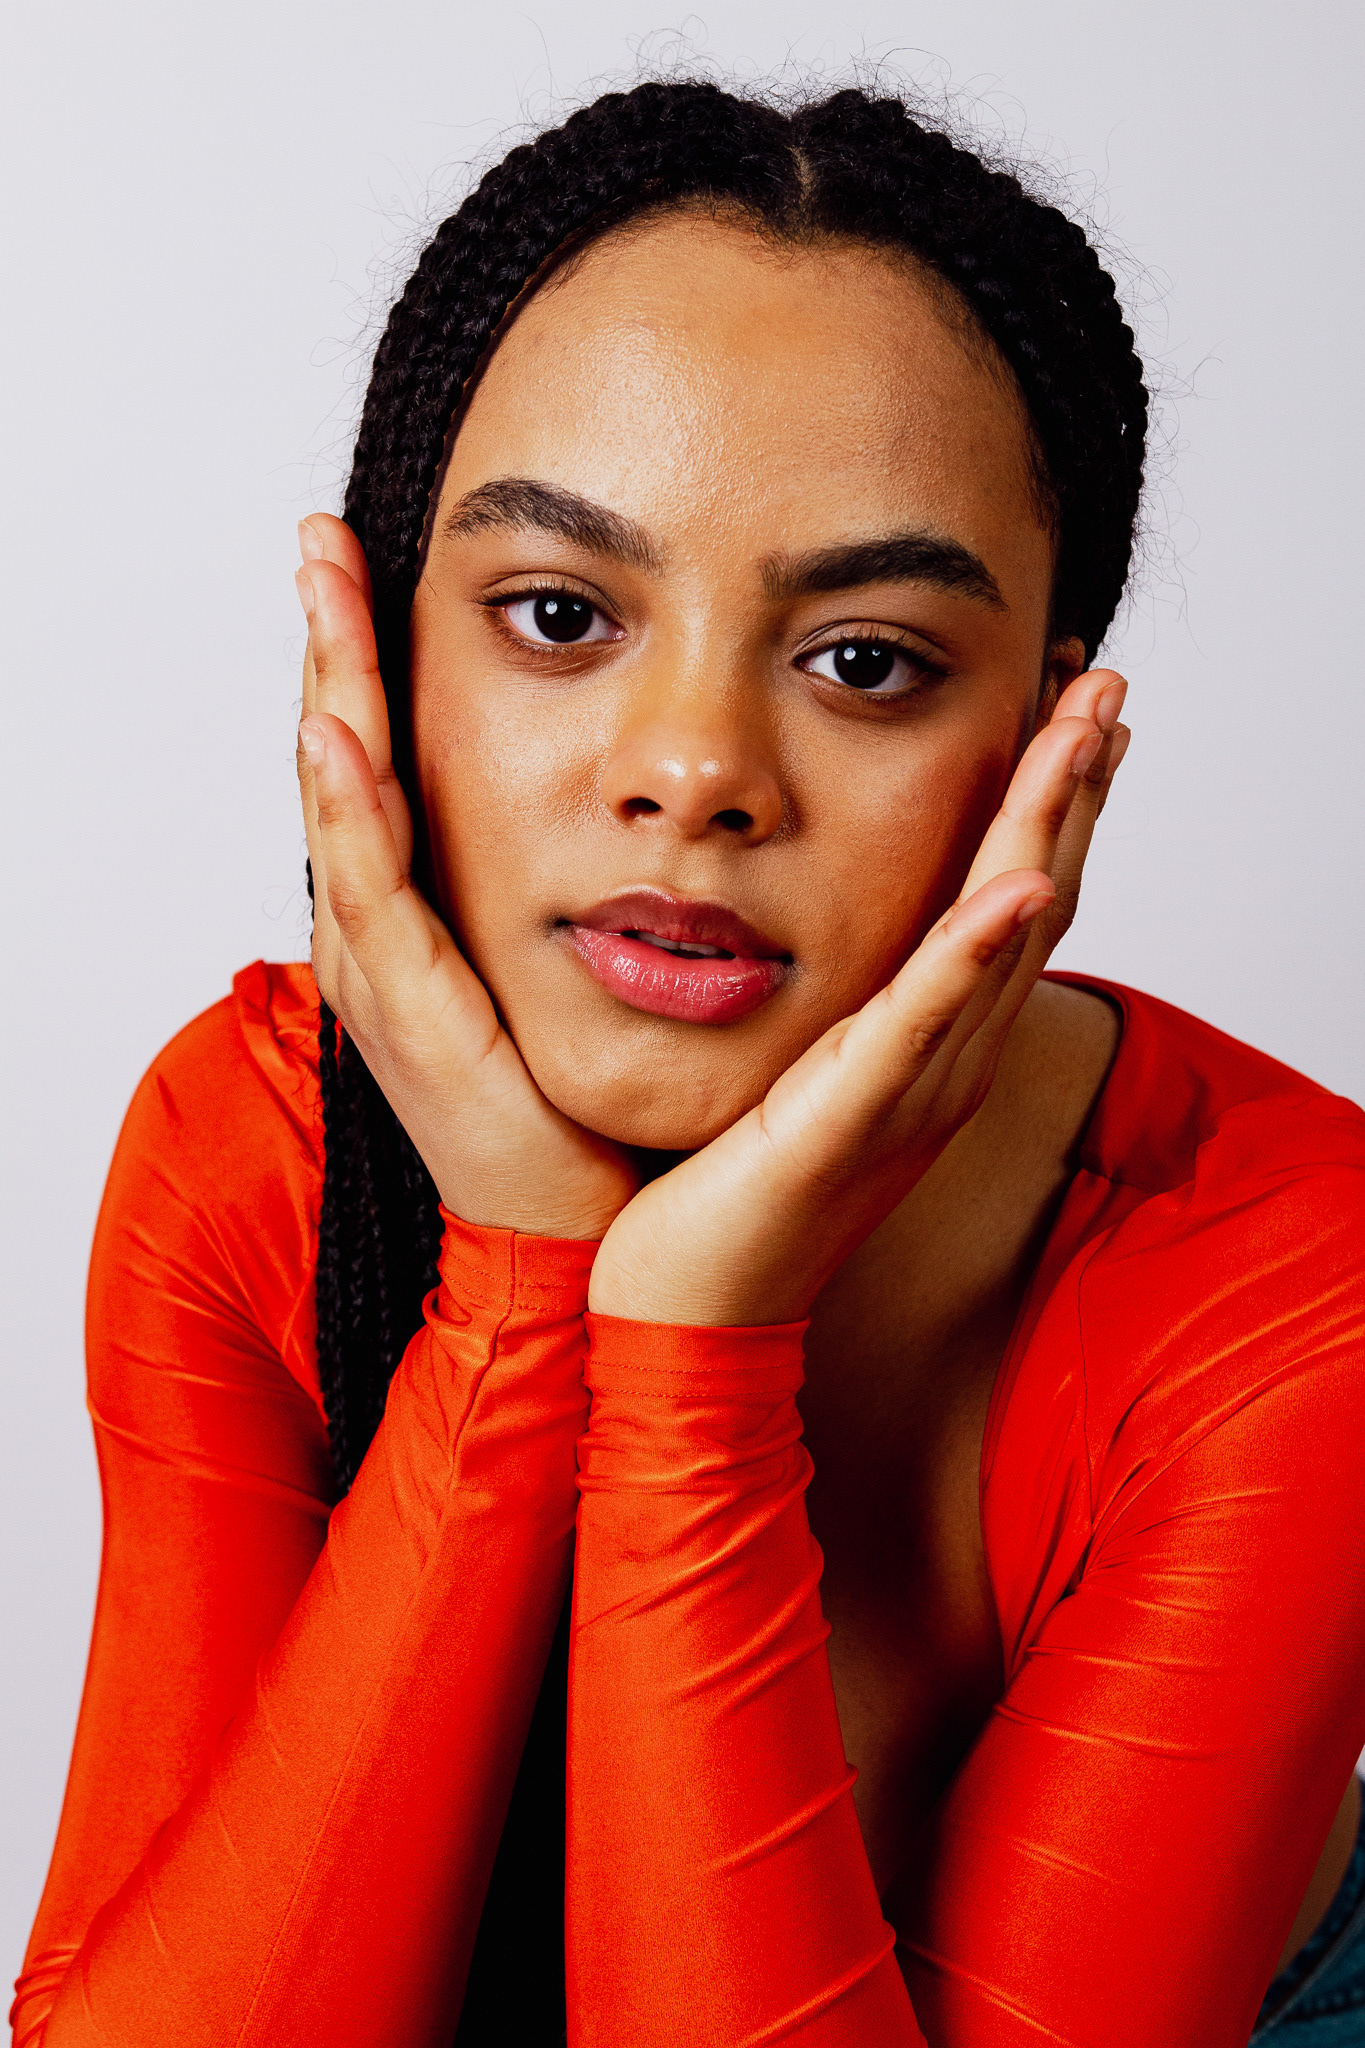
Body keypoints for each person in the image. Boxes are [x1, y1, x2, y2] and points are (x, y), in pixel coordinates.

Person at [12, 79, 1365, 2048]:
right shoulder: (251, 1149)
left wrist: (690, 1352)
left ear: (1045, 749)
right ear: (374, 659)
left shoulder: (1293, 1285)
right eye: (558, 615)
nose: (695, 771)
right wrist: (515, 1293)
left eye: (865, 661)